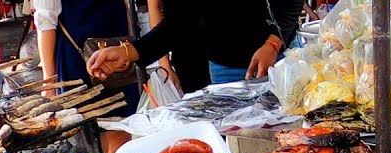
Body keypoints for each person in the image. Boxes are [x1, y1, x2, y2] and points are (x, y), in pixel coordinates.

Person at [33, 0, 139, 153]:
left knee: (117, 134)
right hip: (83, 58)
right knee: (114, 137)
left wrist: (129, 45)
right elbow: (46, 22)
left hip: (116, 52)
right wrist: (49, 83)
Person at [87, 0, 301, 87]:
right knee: (239, 150)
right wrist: (129, 52)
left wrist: (273, 43)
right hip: (223, 68)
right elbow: (180, 22)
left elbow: (291, 4)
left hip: (279, 60)